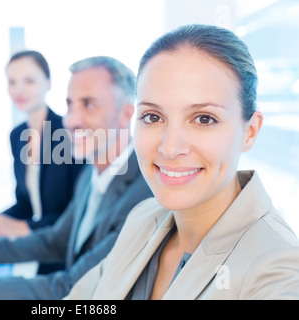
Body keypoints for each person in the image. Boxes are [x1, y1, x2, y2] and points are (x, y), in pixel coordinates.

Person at [64, 24, 299, 300]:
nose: (170, 147)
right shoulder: (143, 218)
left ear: (250, 131)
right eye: (153, 117)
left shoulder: (279, 271)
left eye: (204, 119)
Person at [0, 56, 154, 300]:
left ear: (125, 115)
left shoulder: (143, 194)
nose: (72, 120)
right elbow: (56, 240)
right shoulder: (91, 174)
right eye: (69, 105)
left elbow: (72, 287)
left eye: (88, 104)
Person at [0, 50, 84, 242]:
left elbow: (77, 212)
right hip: (34, 241)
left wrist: (25, 227)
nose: (19, 90)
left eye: (29, 81)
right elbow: (26, 204)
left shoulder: (70, 133)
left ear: (48, 83)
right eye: (12, 82)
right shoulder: (17, 136)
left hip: (61, 245)